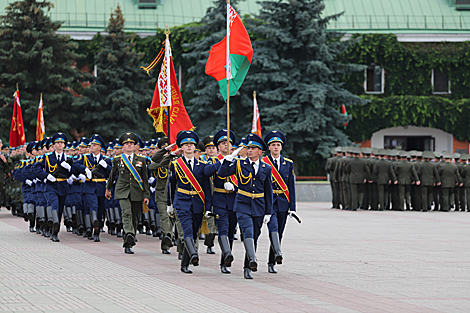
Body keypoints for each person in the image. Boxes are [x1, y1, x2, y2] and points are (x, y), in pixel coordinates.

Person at [218, 133, 273, 279]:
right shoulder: (238, 163)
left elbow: (268, 191)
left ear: (260, 151)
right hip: (242, 204)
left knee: (255, 235)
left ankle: (248, 264)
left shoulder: (266, 168)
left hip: (259, 206)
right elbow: (221, 174)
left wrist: (268, 212)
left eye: (253, 148)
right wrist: (227, 160)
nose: (250, 150)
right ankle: (253, 261)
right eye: (248, 148)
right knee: (247, 232)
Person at [167, 131, 212, 274]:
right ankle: (194, 254)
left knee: (193, 232)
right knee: (186, 230)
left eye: (191, 144)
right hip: (182, 202)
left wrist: (208, 207)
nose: (189, 147)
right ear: (182, 147)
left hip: (198, 203)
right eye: (186, 145)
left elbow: (207, 189)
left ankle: (184, 264)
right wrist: (170, 204)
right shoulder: (176, 164)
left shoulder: (203, 165)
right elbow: (171, 186)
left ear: (195, 148)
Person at [106, 132, 150, 254]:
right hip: (122, 191)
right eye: (127, 143)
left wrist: (146, 195)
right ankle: (129, 233)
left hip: (137, 192)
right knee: (126, 213)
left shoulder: (141, 160)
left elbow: (145, 179)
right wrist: (108, 188)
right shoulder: (117, 159)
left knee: (135, 217)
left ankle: (128, 241)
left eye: (131, 143)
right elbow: (112, 175)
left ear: (135, 146)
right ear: (123, 146)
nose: (129, 145)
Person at [203, 129, 238, 274]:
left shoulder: (238, 162)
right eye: (223, 143)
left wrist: (234, 186)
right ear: (218, 147)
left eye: (228, 143)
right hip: (219, 199)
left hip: (234, 200)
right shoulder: (213, 160)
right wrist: (223, 161)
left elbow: (244, 180)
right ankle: (226, 257)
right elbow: (207, 171)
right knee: (222, 228)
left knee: (231, 231)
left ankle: (225, 259)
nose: (226, 146)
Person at [263, 130, 296, 274]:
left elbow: (291, 186)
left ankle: (271, 261)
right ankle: (278, 253)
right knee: (273, 228)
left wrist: (293, 207)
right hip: (268, 202)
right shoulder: (263, 163)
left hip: (283, 202)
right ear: (269, 147)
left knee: (280, 232)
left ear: (281, 147)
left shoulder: (288, 164)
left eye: (278, 145)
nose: (276, 147)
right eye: (273, 145)